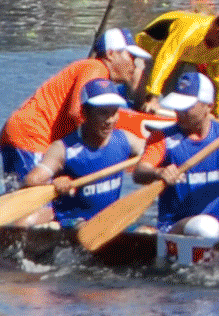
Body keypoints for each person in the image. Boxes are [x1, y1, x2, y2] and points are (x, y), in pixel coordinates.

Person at [0, 27, 151, 183]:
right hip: (32, 136)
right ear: (111, 54)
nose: (134, 64)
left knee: (21, 196)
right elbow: (77, 112)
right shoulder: (96, 68)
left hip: (21, 133)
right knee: (35, 202)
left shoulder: (100, 77)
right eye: (131, 56)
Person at [133, 72, 219, 238]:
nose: (180, 112)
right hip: (176, 228)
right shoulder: (163, 138)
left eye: (187, 107)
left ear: (209, 106)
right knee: (206, 226)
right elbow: (139, 172)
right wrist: (159, 172)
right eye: (178, 106)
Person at [23, 82, 148, 228]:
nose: (109, 120)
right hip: (75, 222)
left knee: (148, 231)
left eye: (114, 113)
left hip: (109, 222)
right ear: (85, 112)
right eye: (102, 113)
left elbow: (153, 153)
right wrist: (53, 184)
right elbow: (31, 181)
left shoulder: (125, 140)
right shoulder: (63, 149)